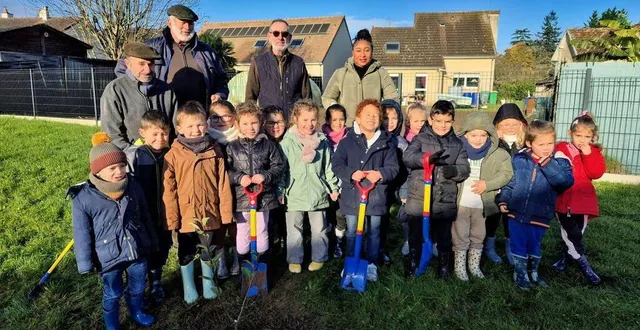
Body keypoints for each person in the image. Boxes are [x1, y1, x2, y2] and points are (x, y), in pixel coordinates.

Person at [71, 132, 158, 329]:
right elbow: (82, 233)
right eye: (112, 168)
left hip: (136, 249)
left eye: (122, 166)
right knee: (112, 292)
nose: (119, 171)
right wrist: (85, 263)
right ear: (97, 171)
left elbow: (144, 215)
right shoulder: (84, 198)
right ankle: (112, 324)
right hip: (108, 257)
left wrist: (151, 240)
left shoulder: (133, 187)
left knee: (137, 286)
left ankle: (136, 310)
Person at [163, 101, 233, 303]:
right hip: (187, 215)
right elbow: (169, 190)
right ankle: (189, 286)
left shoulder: (215, 150)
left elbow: (223, 184)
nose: (196, 130)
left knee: (207, 249)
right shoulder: (173, 155)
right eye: (190, 126)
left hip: (209, 213)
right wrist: (172, 218)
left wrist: (225, 213)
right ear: (179, 129)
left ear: (206, 124)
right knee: (186, 252)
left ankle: (209, 283)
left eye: (200, 124)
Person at [497, 120, 574, 290]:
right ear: (529, 143)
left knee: (534, 244)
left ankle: (533, 273)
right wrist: (503, 199)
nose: (547, 147)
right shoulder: (519, 159)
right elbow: (510, 183)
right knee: (518, 243)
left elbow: (564, 182)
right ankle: (520, 274)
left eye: (550, 143)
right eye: (541, 144)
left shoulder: (559, 161)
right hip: (516, 212)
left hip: (540, 213)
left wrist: (547, 163)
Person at [332, 99, 399, 281]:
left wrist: (380, 174)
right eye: (367, 114)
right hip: (353, 196)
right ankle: (352, 260)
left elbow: (394, 168)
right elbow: (337, 164)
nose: (372, 118)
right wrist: (351, 173)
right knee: (353, 231)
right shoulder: (347, 142)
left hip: (377, 197)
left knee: (375, 232)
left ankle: (371, 263)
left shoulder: (387, 144)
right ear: (358, 118)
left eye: (376, 115)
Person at [403, 100, 470, 278]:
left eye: (447, 121)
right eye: (438, 120)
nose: (443, 125)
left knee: (444, 236)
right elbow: (408, 157)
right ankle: (413, 264)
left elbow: (464, 169)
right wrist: (426, 159)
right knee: (416, 234)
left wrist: (453, 171)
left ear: (453, 121)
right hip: (419, 197)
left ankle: (443, 267)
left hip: (444, 199)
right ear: (431, 120)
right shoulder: (420, 138)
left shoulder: (457, 144)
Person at [115, 5, 229, 108]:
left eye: (191, 23)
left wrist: (220, 93)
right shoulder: (152, 47)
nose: (187, 27)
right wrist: (141, 91)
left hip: (200, 118)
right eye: (183, 22)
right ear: (170, 23)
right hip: (164, 116)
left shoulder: (206, 51)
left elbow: (221, 78)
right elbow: (122, 68)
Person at [278, 99, 340, 273]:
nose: (309, 124)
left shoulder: (322, 143)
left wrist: (333, 187)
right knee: (294, 230)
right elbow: (282, 170)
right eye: (304, 120)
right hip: (294, 192)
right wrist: (280, 190)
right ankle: (294, 258)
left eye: (313, 119)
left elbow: (328, 168)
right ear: (295, 119)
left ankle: (319, 256)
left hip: (317, 192)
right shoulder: (287, 143)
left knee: (319, 228)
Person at [452, 112, 513, 281]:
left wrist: (488, 184)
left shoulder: (498, 154)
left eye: (483, 135)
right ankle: (459, 267)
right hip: (461, 204)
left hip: (482, 204)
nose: (478, 139)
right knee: (460, 235)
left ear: (490, 135)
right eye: (473, 135)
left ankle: (474, 266)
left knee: (478, 235)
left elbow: (506, 174)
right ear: (465, 134)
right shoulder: (456, 151)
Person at [226, 101, 284, 276]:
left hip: (263, 197)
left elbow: (278, 166)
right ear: (237, 125)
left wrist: (264, 176)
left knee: (261, 230)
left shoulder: (269, 146)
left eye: (254, 123)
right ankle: (244, 265)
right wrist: (239, 177)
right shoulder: (232, 147)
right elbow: (226, 171)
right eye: (245, 123)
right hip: (242, 198)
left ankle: (262, 266)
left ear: (261, 123)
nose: (250, 127)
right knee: (243, 232)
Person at [124, 111, 172, 306]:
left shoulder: (172, 153)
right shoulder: (135, 155)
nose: (160, 139)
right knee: (143, 249)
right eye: (154, 134)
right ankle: (136, 288)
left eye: (164, 133)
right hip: (143, 214)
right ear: (142, 133)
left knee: (161, 247)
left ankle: (156, 281)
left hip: (165, 212)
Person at [552, 112, 605, 285]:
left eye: (587, 136)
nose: (582, 140)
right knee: (570, 234)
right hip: (563, 199)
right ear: (570, 133)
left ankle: (566, 258)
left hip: (583, 200)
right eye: (578, 135)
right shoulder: (561, 148)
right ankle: (584, 264)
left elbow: (595, 173)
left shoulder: (594, 152)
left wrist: (588, 153)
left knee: (578, 232)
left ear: (593, 137)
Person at [101, 42, 177, 150]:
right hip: (131, 158)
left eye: (150, 64)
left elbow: (176, 128)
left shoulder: (167, 90)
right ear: (128, 64)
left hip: (165, 158)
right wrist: (135, 155)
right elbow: (112, 134)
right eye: (141, 64)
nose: (148, 70)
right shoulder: (115, 90)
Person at [322, 29, 399, 126]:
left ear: (372, 51)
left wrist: (381, 116)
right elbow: (327, 98)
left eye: (367, 50)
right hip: (347, 129)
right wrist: (337, 111)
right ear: (353, 52)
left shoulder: (381, 74)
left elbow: (393, 100)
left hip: (373, 130)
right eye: (358, 50)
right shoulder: (340, 74)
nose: (362, 55)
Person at [485, 103, 528, 265]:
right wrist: (496, 138)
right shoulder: (492, 142)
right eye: (506, 124)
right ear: (498, 126)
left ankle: (510, 247)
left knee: (512, 218)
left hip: (517, 188)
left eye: (514, 124)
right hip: (497, 186)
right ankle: (489, 245)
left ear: (521, 125)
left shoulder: (524, 143)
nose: (510, 127)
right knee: (493, 216)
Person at [246, 19, 311, 119]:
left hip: (293, 122)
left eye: (285, 34)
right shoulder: (258, 62)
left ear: (290, 37)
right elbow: (250, 97)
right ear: (269, 36)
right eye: (276, 33)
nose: (280, 37)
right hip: (268, 122)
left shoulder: (298, 63)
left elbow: (307, 98)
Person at [207, 100, 241, 279]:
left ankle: (236, 257)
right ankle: (220, 260)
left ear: (234, 117)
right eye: (216, 117)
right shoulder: (207, 139)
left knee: (236, 225)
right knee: (218, 225)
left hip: (237, 189)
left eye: (227, 116)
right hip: (215, 190)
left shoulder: (239, 137)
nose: (222, 121)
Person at [381, 99, 409, 260]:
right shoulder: (374, 139)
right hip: (381, 185)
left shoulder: (402, 143)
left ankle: (407, 241)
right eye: (385, 118)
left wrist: (404, 189)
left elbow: (407, 170)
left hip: (398, 184)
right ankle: (379, 246)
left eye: (394, 118)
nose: (390, 122)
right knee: (380, 217)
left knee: (406, 212)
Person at [322, 104, 348, 258]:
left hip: (342, 184)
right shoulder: (321, 138)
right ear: (327, 120)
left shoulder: (350, 138)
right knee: (326, 214)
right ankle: (327, 239)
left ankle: (339, 240)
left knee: (340, 213)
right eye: (334, 120)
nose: (338, 123)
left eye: (342, 119)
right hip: (325, 184)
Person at [263, 105, 288, 254]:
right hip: (269, 189)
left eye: (279, 122)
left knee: (284, 217)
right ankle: (272, 243)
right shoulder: (263, 142)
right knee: (270, 220)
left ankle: (285, 240)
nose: (275, 126)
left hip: (287, 185)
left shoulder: (290, 140)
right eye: (271, 123)